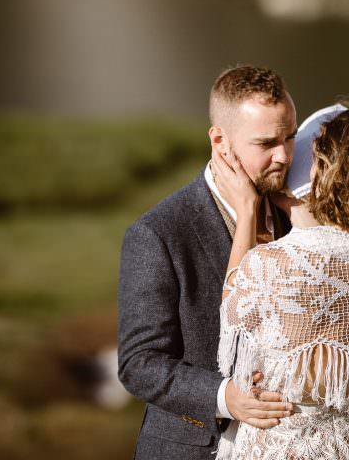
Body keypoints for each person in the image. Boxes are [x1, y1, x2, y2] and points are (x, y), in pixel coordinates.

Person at [212, 108, 349, 460]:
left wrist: (247, 212)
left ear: (325, 175)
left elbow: (232, 316)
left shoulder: (275, 264)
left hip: (286, 445)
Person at [117, 65, 299, 460]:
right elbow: (138, 363)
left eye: (290, 136)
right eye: (266, 142)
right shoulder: (158, 233)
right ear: (220, 141)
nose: (284, 155)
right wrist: (224, 397)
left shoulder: (299, 212)